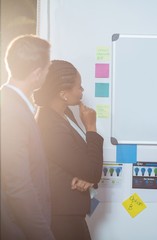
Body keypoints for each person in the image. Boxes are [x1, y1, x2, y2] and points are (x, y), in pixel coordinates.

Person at [33, 60, 104, 240]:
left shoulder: (65, 114)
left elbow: (81, 164)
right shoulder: (48, 123)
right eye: (78, 87)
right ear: (63, 93)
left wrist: (85, 177)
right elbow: (92, 171)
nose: (82, 91)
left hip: (70, 213)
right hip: (60, 217)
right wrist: (91, 127)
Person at [0, 35, 55, 239]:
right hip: (18, 231)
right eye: (48, 68)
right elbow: (18, 186)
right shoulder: (12, 112)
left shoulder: (14, 105)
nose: (48, 72)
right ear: (37, 73)